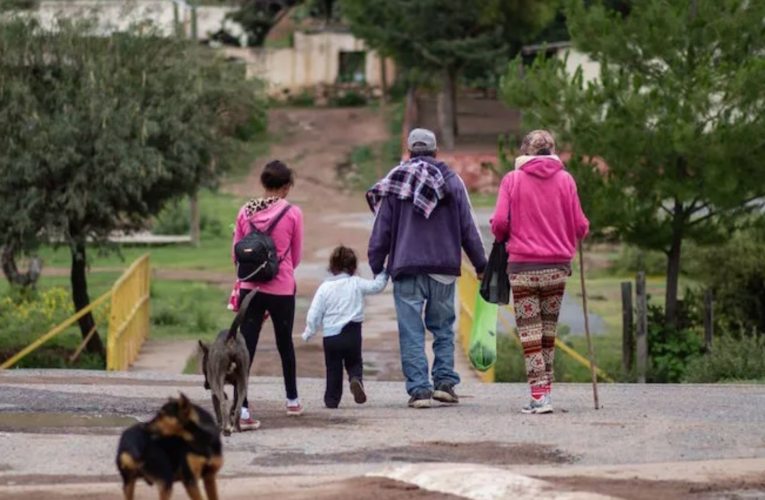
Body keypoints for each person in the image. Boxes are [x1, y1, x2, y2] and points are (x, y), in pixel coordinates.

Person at [367, 128, 487, 409]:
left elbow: (381, 228)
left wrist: (377, 264)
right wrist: (480, 264)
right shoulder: (452, 181)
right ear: (435, 152)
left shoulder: (396, 180)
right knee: (443, 328)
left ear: (409, 151)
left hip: (406, 267)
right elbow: (468, 226)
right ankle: (444, 385)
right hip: (443, 268)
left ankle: (420, 391)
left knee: (411, 331)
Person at [490, 130, 589, 415]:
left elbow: (498, 222)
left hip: (523, 267)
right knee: (547, 332)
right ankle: (545, 392)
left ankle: (539, 396)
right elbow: (581, 226)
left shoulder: (512, 179)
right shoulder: (566, 180)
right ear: (553, 150)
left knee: (530, 334)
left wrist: (504, 234)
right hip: (557, 268)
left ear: (526, 152)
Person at [232, 160, 304, 429]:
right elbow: (296, 256)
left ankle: (243, 410)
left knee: (245, 348)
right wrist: (279, 270)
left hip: (250, 289)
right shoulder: (293, 213)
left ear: (264, 185)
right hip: (282, 288)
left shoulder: (245, 211)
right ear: (285, 187)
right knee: (284, 342)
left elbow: (235, 254)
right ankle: (292, 400)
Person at [301, 246, 389, 409]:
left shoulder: (324, 288)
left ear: (331, 267)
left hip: (331, 337)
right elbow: (377, 286)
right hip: (352, 333)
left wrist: (309, 332)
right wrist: (384, 272)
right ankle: (355, 378)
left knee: (333, 369)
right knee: (354, 362)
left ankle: (332, 399)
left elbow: (315, 313)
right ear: (354, 268)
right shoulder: (356, 283)